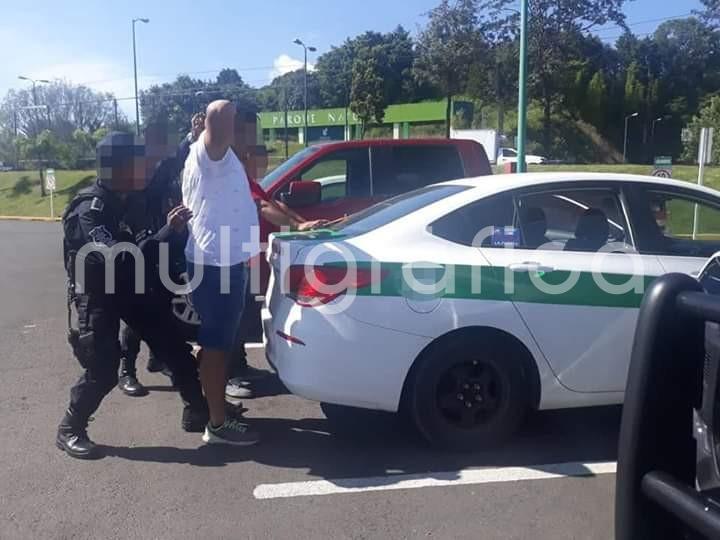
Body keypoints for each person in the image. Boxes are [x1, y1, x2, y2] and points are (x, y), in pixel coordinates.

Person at [57, 132, 209, 459]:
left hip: (132, 286)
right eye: (140, 164)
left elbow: (166, 171)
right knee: (103, 367)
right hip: (99, 292)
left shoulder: (133, 196)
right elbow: (122, 257)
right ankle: (70, 427)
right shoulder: (89, 212)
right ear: (120, 168)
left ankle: (199, 411)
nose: (147, 169)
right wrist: (167, 232)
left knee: (171, 343)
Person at [224, 113, 327, 400]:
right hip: (229, 255)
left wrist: (300, 222)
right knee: (230, 319)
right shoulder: (228, 170)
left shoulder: (242, 172)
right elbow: (260, 207)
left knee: (243, 314)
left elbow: (272, 201)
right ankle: (229, 376)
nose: (253, 142)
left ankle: (239, 366)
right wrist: (296, 225)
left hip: (244, 256)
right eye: (249, 134)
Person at [182, 100, 260, 445]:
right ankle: (216, 424)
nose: (251, 138)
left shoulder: (227, 161)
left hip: (225, 262)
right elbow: (219, 109)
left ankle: (213, 407)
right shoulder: (211, 155)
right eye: (242, 127)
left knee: (217, 345)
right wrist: (229, 113)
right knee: (216, 346)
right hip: (215, 265)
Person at [116, 114, 206, 396]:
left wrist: (192, 136)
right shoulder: (137, 171)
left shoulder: (160, 165)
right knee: (136, 312)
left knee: (164, 303)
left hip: (164, 243)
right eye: (158, 141)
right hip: (141, 246)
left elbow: (176, 161)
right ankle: (126, 370)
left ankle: (158, 359)